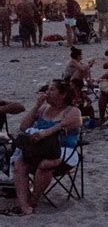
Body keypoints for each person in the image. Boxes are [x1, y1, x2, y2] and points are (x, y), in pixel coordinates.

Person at [13, 80, 81, 215]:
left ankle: (33, 201)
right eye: (47, 90)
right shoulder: (43, 109)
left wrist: (45, 133)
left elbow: (63, 125)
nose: (47, 93)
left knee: (45, 165)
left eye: (51, 90)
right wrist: (36, 106)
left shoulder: (73, 111)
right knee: (19, 164)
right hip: (39, 149)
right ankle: (24, 206)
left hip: (63, 151)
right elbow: (23, 127)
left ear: (63, 94)